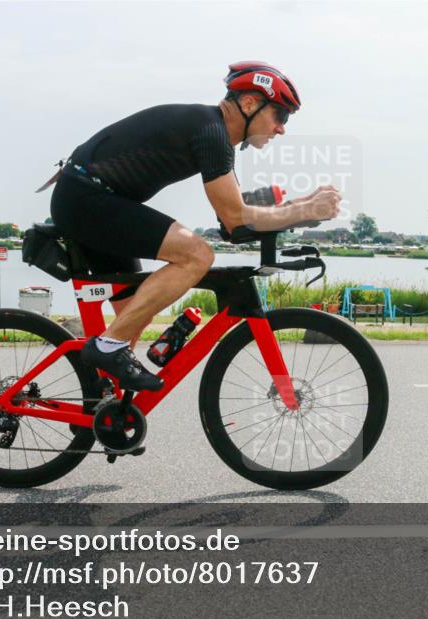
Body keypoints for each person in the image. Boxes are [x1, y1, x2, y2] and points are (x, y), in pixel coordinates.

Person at [45, 61, 342, 391]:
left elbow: (235, 226)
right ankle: (105, 347)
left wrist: (299, 208)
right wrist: (304, 209)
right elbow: (235, 217)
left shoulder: (214, 134)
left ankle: (103, 408)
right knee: (196, 255)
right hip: (86, 199)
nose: (282, 128)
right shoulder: (210, 131)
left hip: (93, 200)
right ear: (248, 103)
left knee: (133, 317)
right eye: (280, 115)